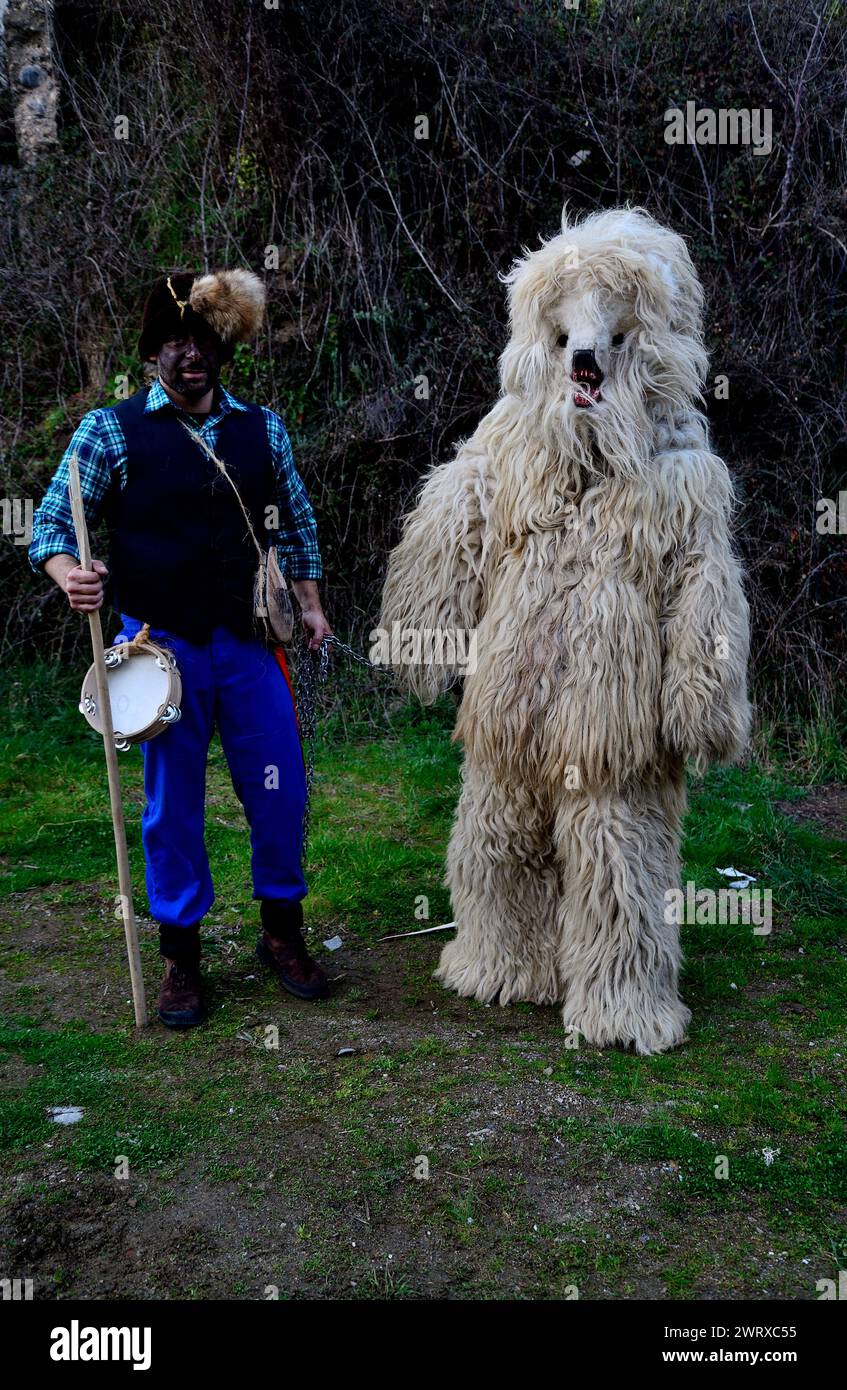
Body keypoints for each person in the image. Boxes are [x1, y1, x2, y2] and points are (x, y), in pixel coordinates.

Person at [29, 267, 333, 1027]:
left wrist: (310, 604)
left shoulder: (262, 430)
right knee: (172, 809)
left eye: (199, 339)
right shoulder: (111, 430)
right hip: (159, 651)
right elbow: (51, 530)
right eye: (172, 341)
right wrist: (74, 580)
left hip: (249, 646)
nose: (187, 354)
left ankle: (281, 934)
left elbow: (293, 523)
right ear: (151, 354)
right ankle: (182, 962)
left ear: (220, 347)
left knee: (279, 791)